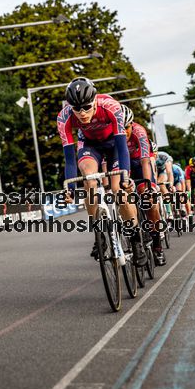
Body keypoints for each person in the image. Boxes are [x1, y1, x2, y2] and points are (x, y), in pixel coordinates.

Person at [57, 77, 146, 266]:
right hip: (90, 146)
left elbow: (123, 149)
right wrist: (70, 189)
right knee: (89, 179)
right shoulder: (64, 117)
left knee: (118, 190)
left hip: (114, 145)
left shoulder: (111, 107)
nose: (82, 113)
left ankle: (136, 237)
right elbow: (70, 158)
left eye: (87, 107)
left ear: (95, 100)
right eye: (76, 108)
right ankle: (99, 234)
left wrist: (126, 177)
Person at [122, 105, 166, 266]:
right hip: (124, 166)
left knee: (151, 202)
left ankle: (157, 246)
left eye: (126, 127)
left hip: (140, 165)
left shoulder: (139, 132)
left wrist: (148, 186)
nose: (124, 131)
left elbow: (146, 161)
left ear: (131, 125)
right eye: (121, 127)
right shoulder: (113, 135)